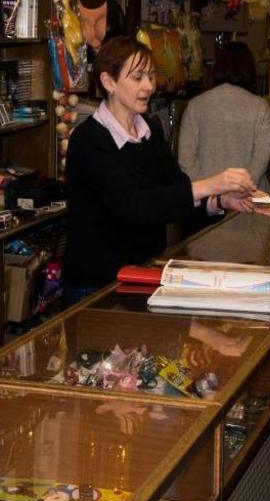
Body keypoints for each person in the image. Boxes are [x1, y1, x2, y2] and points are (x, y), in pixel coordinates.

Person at [61, 36, 256, 303]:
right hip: (96, 287)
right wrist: (213, 184)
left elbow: (176, 195)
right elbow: (134, 207)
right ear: (109, 82)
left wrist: (219, 201)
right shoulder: (89, 140)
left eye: (151, 76)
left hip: (142, 278)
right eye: (138, 77)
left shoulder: (149, 131)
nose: (149, 86)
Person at [176, 40, 270, 193]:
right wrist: (239, 190)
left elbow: (185, 160)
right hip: (250, 203)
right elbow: (260, 162)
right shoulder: (261, 107)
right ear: (249, 69)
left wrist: (209, 189)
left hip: (207, 202)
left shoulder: (195, 105)